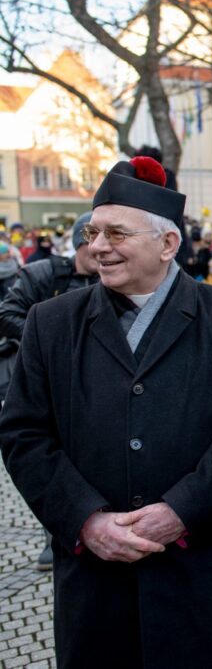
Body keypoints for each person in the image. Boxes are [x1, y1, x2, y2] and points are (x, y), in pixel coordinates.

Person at [0, 156, 212, 668]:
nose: (97, 246)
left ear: (168, 244)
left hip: (205, 579)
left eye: (116, 233)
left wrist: (180, 510)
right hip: (98, 590)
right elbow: (23, 434)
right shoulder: (51, 323)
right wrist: (85, 520)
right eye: (93, 232)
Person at [0, 211, 99, 570]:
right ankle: (55, 535)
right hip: (48, 382)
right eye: (93, 245)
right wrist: (50, 340)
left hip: (93, 386)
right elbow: (7, 313)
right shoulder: (42, 274)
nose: (103, 254)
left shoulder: (113, 278)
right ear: (78, 246)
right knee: (52, 454)